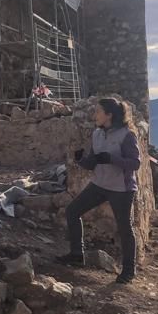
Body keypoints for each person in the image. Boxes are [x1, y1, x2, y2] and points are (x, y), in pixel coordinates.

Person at [59, 97, 141, 285]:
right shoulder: (97, 134)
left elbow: (135, 163)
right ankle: (76, 255)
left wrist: (112, 159)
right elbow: (93, 162)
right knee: (72, 211)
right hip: (99, 184)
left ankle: (129, 271)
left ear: (109, 115)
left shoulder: (126, 135)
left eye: (98, 111)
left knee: (124, 228)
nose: (94, 114)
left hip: (121, 189)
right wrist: (81, 160)